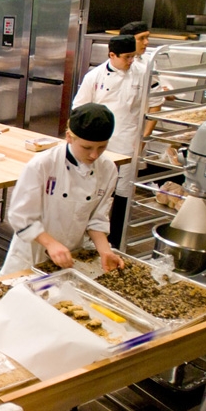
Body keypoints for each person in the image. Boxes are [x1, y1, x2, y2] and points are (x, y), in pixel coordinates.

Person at [1, 104, 124, 275]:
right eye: (87, 148)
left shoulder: (108, 169)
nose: (94, 155)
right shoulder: (43, 165)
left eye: (101, 147)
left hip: (72, 256)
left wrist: (105, 251)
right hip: (32, 254)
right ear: (69, 137)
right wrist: (51, 244)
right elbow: (20, 216)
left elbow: (97, 218)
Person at [72, 34, 161, 249]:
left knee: (123, 195)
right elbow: (79, 109)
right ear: (112, 54)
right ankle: (82, 238)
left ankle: (115, 242)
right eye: (127, 57)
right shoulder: (95, 76)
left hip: (129, 142)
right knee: (92, 190)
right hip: (99, 143)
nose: (131, 61)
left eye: (133, 56)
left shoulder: (143, 74)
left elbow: (155, 103)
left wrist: (144, 139)